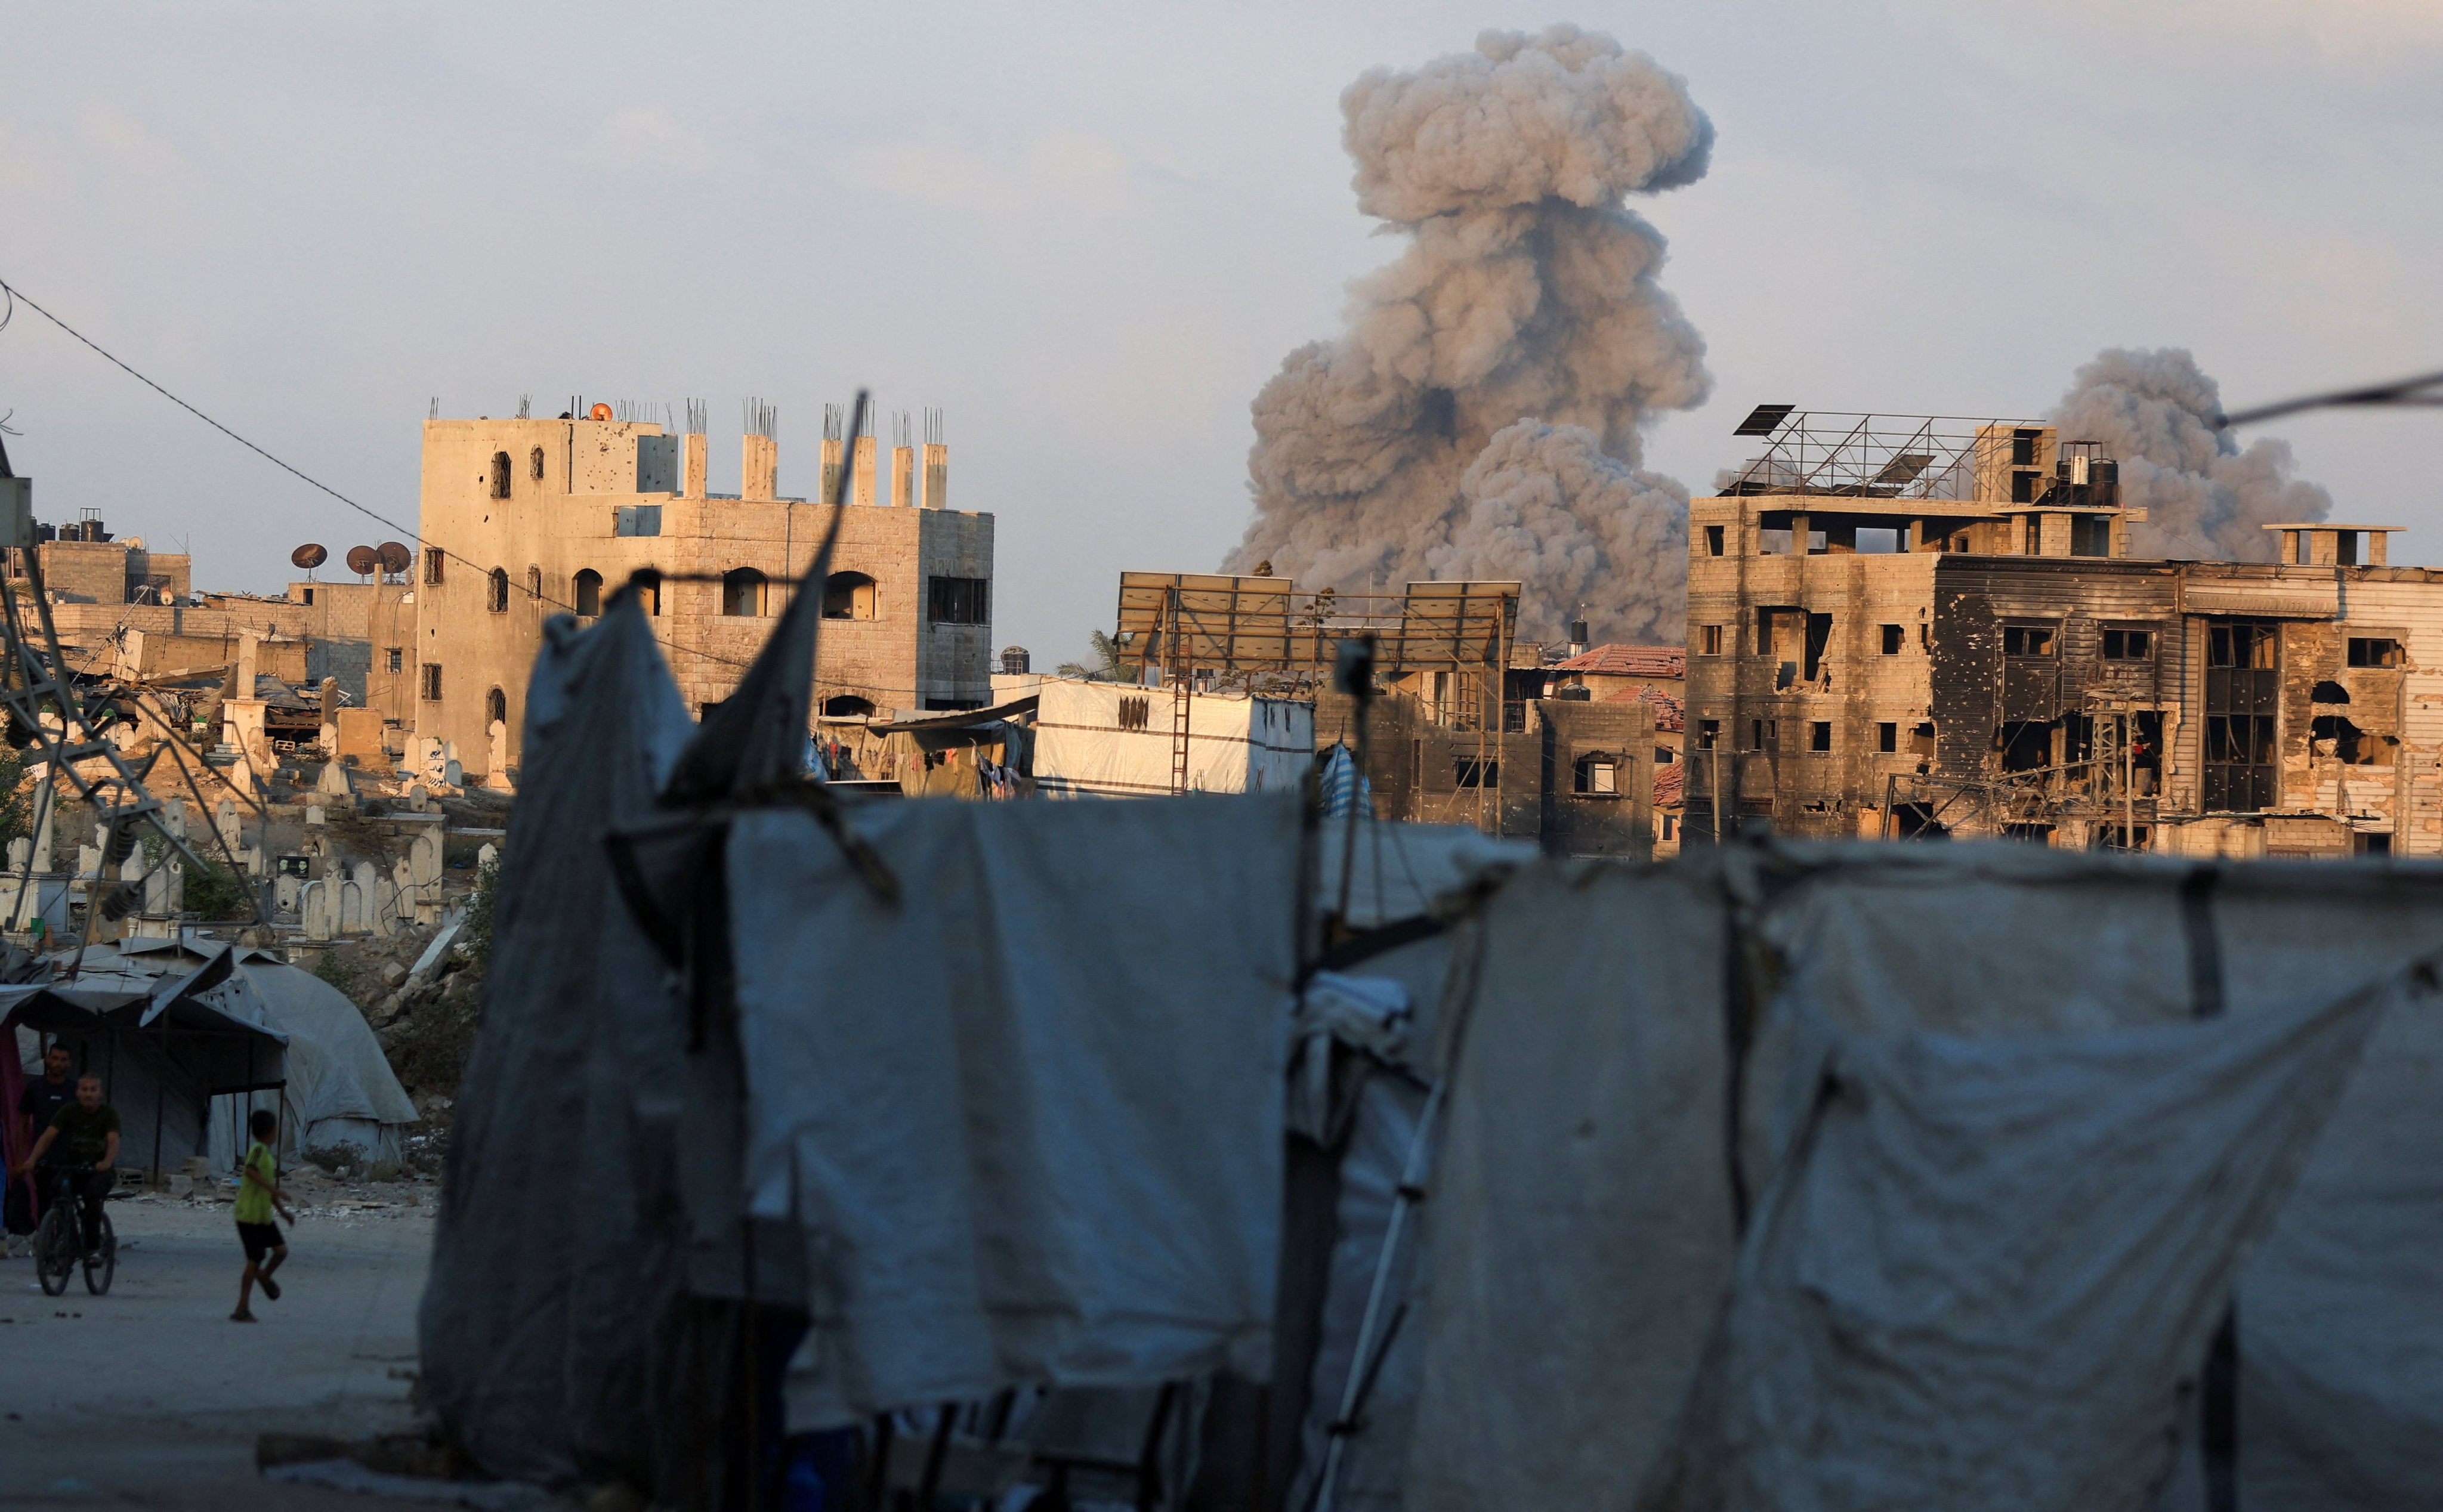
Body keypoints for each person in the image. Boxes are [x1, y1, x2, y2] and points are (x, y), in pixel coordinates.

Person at [10, 1072, 119, 1259]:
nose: (88, 1094)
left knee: (92, 1197)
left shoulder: (108, 1114)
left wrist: (107, 1162)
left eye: (93, 1090)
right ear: (78, 1092)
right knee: (55, 1188)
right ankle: (62, 1236)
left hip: (98, 1171)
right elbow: (48, 1136)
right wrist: (32, 1160)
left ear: (100, 1093)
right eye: (84, 1090)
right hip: (74, 1167)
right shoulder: (69, 1111)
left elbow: (113, 1141)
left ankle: (93, 1247)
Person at [231, 1107, 294, 1323]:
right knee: (255, 1259)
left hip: (263, 1217)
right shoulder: (257, 1150)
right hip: (248, 1216)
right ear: (270, 1131)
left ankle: (265, 1276)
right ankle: (241, 1308)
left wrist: (283, 1212)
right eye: (276, 1129)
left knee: (281, 1251)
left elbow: (268, 1189)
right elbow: (249, 1170)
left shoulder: (268, 1156)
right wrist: (275, 1190)